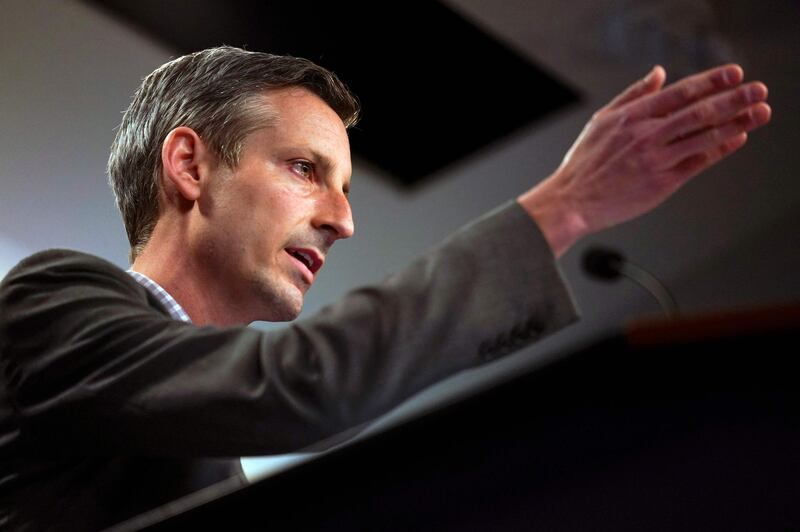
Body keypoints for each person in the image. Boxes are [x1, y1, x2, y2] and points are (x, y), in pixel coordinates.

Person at [0, 46, 770, 530]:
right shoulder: (50, 296)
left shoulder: (218, 450)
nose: (343, 221)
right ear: (191, 166)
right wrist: (562, 209)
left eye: (344, 187)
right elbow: (297, 388)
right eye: (306, 170)